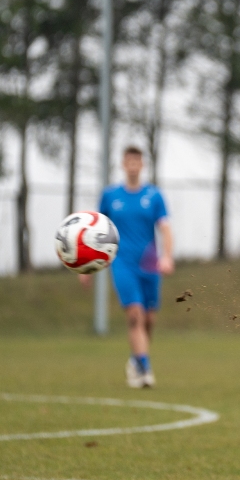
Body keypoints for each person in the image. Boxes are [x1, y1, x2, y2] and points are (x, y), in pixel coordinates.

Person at [81, 146, 174, 388]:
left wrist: (167, 257)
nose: (133, 166)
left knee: (149, 320)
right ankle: (144, 368)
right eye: (129, 162)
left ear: (142, 165)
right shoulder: (110, 196)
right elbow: (96, 230)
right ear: (123, 165)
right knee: (135, 315)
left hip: (149, 264)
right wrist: (86, 266)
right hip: (122, 263)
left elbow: (165, 228)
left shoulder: (154, 196)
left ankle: (136, 360)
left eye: (136, 162)